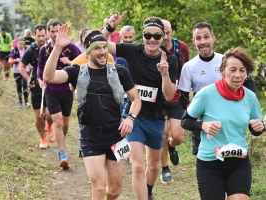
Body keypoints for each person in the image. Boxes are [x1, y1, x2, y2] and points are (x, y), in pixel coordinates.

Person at [43, 25, 141, 200]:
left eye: (104, 47)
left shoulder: (119, 71)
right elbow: (49, 77)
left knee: (114, 190)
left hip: (116, 135)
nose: (103, 52)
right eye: (97, 48)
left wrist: (130, 119)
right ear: (87, 52)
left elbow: (136, 99)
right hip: (90, 136)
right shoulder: (76, 71)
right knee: (99, 188)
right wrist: (58, 48)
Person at [103, 12, 178, 200]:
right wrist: (110, 27)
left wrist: (164, 74)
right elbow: (100, 45)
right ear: (143, 36)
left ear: (163, 38)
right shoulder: (133, 51)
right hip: (134, 116)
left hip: (156, 118)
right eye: (147, 35)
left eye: (157, 36)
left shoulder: (171, 60)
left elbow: (169, 95)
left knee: (152, 166)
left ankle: (149, 190)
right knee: (137, 166)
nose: (152, 40)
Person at [181, 46, 265, 200]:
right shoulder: (206, 94)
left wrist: (259, 127)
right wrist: (203, 125)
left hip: (239, 162)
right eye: (232, 70)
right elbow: (185, 122)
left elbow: (255, 129)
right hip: (210, 164)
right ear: (222, 71)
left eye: (242, 70)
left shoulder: (250, 97)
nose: (238, 75)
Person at [179, 22, 256, 156]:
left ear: (213, 38)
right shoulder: (189, 66)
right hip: (203, 121)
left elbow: (248, 81)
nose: (203, 42)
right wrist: (195, 111)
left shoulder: (226, 61)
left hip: (230, 118)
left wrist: (248, 103)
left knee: (233, 156)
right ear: (193, 41)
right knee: (204, 158)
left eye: (206, 37)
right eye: (198, 38)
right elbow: (182, 97)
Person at [37, 19, 81, 169]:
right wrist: (40, 79)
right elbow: (40, 67)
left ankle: (62, 140)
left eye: (58, 31)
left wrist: (69, 63)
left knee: (65, 122)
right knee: (58, 121)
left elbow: (81, 64)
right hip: (51, 89)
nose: (55, 34)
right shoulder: (45, 49)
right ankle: (62, 152)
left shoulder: (71, 47)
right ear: (49, 32)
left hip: (67, 90)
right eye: (53, 32)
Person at [159, 19, 190, 184]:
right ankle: (165, 168)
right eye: (162, 33)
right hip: (159, 99)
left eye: (168, 33)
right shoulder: (152, 47)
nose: (164, 37)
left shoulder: (182, 47)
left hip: (177, 98)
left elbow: (187, 69)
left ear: (171, 32)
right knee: (162, 133)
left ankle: (172, 146)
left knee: (177, 136)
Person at [19, 24, 55, 150]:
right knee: (39, 114)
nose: (41, 38)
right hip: (36, 85)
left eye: (42, 35)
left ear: (46, 35)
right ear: (34, 36)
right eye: (38, 36)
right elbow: (21, 67)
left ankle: (49, 126)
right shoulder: (31, 50)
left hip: (51, 83)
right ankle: (43, 139)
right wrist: (28, 79)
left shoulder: (51, 48)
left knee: (49, 114)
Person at [8, 36, 31, 108]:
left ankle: (27, 101)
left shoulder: (27, 50)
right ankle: (20, 101)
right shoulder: (14, 50)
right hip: (16, 71)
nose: (22, 46)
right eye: (20, 44)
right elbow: (10, 60)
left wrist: (31, 66)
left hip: (25, 70)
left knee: (25, 85)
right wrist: (15, 61)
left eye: (23, 44)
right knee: (19, 86)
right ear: (17, 43)